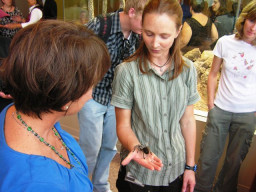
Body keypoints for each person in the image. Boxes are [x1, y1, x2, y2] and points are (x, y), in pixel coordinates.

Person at [0, 19, 110, 191]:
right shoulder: (38, 184)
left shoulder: (20, 112)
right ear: (64, 95)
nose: (90, 95)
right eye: (90, 86)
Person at [111, 0, 200, 191]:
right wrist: (139, 150)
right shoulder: (126, 72)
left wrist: (190, 166)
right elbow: (123, 125)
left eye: (164, 36)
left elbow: (187, 121)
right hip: (139, 174)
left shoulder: (188, 70)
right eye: (149, 33)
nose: (155, 43)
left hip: (176, 167)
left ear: (178, 31)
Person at [78, 0, 149, 191]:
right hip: (92, 96)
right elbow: (76, 51)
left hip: (116, 101)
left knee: (109, 148)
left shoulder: (138, 35)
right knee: (90, 149)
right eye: (145, 20)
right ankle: (80, 185)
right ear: (132, 12)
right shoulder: (101, 24)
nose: (147, 26)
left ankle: (100, 185)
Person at [195, 1, 256, 192]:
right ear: (244, 19)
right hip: (220, 109)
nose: (253, 28)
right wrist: (211, 105)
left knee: (233, 164)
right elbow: (213, 74)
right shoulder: (225, 42)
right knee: (207, 159)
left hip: (247, 115)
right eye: (252, 20)